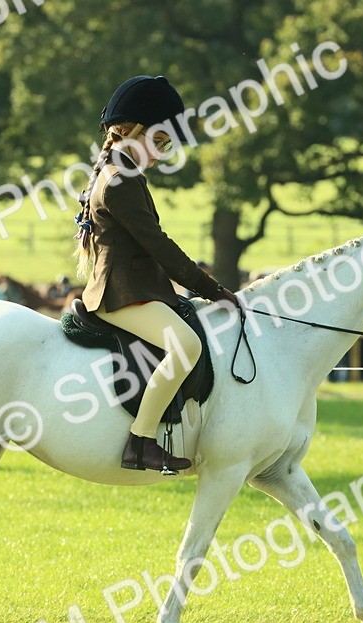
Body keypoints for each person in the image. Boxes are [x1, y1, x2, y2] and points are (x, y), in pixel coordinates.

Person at [73, 75, 239, 473]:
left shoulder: (122, 172)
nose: (163, 154)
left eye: (168, 145)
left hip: (138, 289)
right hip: (120, 293)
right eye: (160, 142)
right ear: (131, 132)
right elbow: (158, 245)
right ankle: (141, 440)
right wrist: (210, 288)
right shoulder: (119, 181)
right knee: (186, 346)